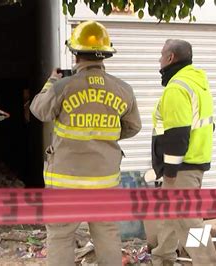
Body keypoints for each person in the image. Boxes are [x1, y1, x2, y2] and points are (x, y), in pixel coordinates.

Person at [30, 20, 141, 266]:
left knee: (60, 237)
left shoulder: (63, 86)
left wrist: (50, 81)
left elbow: (39, 110)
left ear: (75, 54)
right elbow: (134, 126)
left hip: (65, 182)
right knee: (108, 236)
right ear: (105, 56)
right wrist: (104, 134)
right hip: (104, 182)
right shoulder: (123, 90)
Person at [151, 39, 216, 265]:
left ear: (170, 58)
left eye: (161, 55)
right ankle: (162, 257)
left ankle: (209, 263)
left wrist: (170, 170)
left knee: (189, 221)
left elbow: (177, 134)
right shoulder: (197, 83)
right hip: (194, 162)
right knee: (170, 216)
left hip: (181, 167)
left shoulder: (176, 87)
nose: (159, 61)